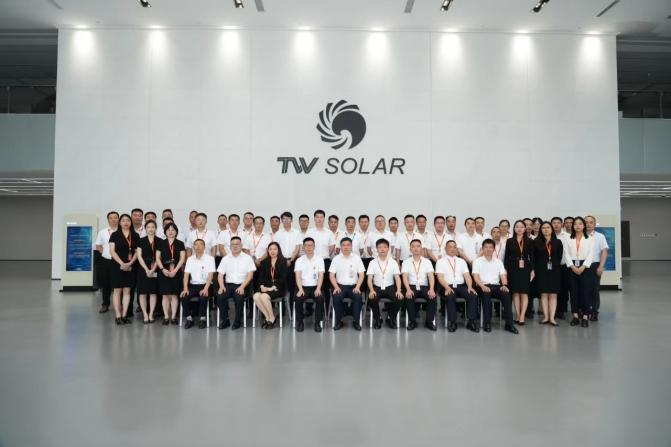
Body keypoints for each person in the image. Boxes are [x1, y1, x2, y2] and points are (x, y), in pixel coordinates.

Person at [472, 239, 518, 334]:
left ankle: (509, 324)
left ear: (493, 249)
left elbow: (503, 275)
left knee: (506, 293)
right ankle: (487, 323)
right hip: (482, 286)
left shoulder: (498, 262)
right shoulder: (477, 261)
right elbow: (475, 277)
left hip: (496, 286)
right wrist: (482, 286)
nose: (488, 249)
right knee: (486, 294)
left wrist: (504, 285)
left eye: (490, 247)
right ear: (482, 249)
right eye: (486, 247)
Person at [435, 240, 479, 332]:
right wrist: (447, 287)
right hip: (447, 286)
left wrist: (470, 287)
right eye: (450, 247)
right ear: (445, 249)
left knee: (473, 295)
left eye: (454, 247)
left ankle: (471, 322)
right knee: (450, 296)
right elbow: (440, 277)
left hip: (461, 286)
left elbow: (467, 276)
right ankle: (452, 322)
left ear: (457, 249)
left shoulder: (462, 261)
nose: (452, 249)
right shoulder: (440, 261)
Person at [216, 236, 256, 329]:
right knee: (220, 296)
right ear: (230, 246)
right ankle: (225, 320)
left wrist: (242, 287)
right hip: (228, 285)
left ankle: (237, 321)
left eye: (237, 244)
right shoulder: (225, 258)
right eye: (233, 244)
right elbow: (220, 275)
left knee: (239, 297)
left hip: (243, 285)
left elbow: (250, 275)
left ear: (241, 245)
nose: (235, 246)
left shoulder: (247, 258)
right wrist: (221, 286)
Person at [563, 217, 595, 327]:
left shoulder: (590, 238)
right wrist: (572, 266)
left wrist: (583, 266)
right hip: (572, 267)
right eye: (575, 224)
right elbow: (566, 253)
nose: (577, 226)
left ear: (584, 226)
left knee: (586, 292)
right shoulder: (568, 239)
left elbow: (591, 254)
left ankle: (585, 316)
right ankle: (575, 316)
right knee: (573, 292)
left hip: (585, 267)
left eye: (580, 224)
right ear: (573, 226)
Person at [109, 214, 140, 325]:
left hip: (131, 266)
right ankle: (118, 316)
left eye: (128, 220)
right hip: (117, 266)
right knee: (117, 291)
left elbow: (137, 252)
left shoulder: (135, 235)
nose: (126, 222)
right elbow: (112, 251)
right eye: (123, 221)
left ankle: (124, 315)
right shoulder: (114, 235)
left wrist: (130, 263)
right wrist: (122, 263)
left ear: (131, 222)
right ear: (120, 223)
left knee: (127, 291)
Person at [329, 238, 365, 331]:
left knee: (358, 297)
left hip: (354, 286)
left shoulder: (357, 258)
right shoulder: (336, 259)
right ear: (340, 247)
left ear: (351, 246)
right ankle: (338, 321)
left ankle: (356, 321)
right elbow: (331, 275)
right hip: (340, 286)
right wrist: (336, 287)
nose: (346, 247)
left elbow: (361, 274)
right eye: (343, 245)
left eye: (348, 245)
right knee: (336, 297)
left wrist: (358, 287)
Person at [366, 238, 403, 329]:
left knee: (399, 299)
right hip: (376, 287)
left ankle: (390, 317)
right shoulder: (372, 262)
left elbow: (397, 278)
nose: (382, 249)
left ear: (388, 249)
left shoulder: (393, 262)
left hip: (390, 287)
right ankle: (377, 318)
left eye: (385, 247)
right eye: (380, 247)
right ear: (376, 249)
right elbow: (369, 279)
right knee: (372, 298)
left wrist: (398, 290)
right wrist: (371, 290)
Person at [400, 239, 436, 330]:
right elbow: (405, 277)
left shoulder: (427, 262)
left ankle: (429, 322)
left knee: (432, 297)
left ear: (421, 248)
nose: (416, 248)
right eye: (413, 246)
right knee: (409, 297)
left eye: (418, 246)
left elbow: (431, 276)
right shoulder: (406, 262)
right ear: (410, 249)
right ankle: (412, 321)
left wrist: (431, 289)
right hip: (411, 286)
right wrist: (408, 289)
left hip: (424, 286)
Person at [180, 239, 216, 329]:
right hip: (193, 285)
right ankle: (189, 319)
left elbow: (210, 276)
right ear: (193, 247)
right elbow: (186, 275)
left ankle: (202, 319)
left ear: (204, 247)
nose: (198, 246)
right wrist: (185, 288)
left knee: (203, 297)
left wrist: (205, 289)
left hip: (206, 285)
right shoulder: (190, 259)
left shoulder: (210, 259)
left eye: (200, 244)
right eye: (196, 244)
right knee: (184, 296)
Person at [505, 220, 535, 325]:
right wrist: (505, 270)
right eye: (517, 226)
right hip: (513, 268)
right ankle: (517, 315)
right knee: (515, 292)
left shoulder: (530, 241)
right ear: (514, 229)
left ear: (525, 229)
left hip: (525, 268)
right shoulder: (510, 241)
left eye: (522, 227)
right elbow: (506, 257)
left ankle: (522, 316)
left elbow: (532, 257)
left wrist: (532, 269)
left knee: (524, 292)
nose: (519, 228)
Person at [534, 222, 564, 326]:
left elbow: (559, 256)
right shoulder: (536, 242)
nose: (546, 229)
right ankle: (546, 317)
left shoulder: (558, 242)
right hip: (541, 271)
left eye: (548, 227)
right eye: (543, 228)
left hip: (554, 271)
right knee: (543, 294)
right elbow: (534, 257)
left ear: (551, 229)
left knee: (553, 294)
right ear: (541, 230)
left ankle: (552, 318)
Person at [156, 223, 186, 325]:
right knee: (165, 295)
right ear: (165, 232)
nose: (170, 231)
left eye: (173, 230)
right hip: (164, 272)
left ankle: (173, 317)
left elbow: (182, 259)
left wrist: (175, 271)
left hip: (176, 272)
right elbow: (157, 258)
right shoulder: (161, 243)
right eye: (168, 230)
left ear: (176, 232)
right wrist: (162, 269)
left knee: (174, 295)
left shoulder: (180, 243)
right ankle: (166, 316)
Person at [252, 242, 287, 329]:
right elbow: (261, 277)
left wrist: (271, 288)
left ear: (278, 250)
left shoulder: (283, 261)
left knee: (264, 296)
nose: (272, 251)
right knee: (256, 296)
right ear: (268, 251)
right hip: (266, 287)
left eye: (275, 249)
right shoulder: (264, 262)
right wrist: (262, 286)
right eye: (270, 249)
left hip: (278, 288)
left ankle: (272, 318)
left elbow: (283, 278)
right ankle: (267, 317)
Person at [294, 238, 326, 332]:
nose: (309, 247)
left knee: (320, 298)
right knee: (298, 298)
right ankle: (300, 322)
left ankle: (317, 323)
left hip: (316, 286)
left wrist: (318, 288)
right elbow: (298, 276)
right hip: (303, 287)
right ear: (303, 247)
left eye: (311, 245)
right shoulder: (299, 260)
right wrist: (300, 289)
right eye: (306, 245)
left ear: (314, 247)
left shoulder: (319, 259)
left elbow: (321, 276)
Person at [585, 215, 609, 321]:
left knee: (594, 290)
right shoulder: (578, 235)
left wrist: (601, 266)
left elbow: (604, 251)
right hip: (581, 266)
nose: (588, 224)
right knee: (583, 289)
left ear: (594, 224)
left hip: (594, 265)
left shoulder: (600, 236)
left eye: (591, 222)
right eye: (586, 222)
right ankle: (584, 310)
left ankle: (594, 311)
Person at [94, 211, 119, 313]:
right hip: (106, 261)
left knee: (119, 284)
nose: (113, 220)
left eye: (115, 217)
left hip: (119, 261)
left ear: (118, 219)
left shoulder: (122, 231)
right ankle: (105, 304)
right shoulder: (102, 232)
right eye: (111, 218)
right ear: (108, 220)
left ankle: (120, 304)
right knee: (105, 283)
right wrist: (105, 253)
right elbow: (98, 245)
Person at [136, 220, 159, 323]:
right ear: (145, 229)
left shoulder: (160, 241)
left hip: (155, 268)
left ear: (155, 228)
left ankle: (151, 314)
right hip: (143, 269)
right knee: (143, 293)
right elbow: (139, 256)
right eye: (148, 227)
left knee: (153, 292)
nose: (151, 229)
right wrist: (146, 269)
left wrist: (153, 269)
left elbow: (159, 257)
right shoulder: (141, 240)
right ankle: (145, 314)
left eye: (153, 227)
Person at [551, 216, 570, 320]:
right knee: (553, 288)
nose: (556, 224)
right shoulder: (548, 236)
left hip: (564, 266)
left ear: (562, 225)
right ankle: (552, 311)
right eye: (554, 223)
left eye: (558, 223)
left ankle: (561, 311)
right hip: (551, 267)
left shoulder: (568, 236)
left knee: (563, 289)